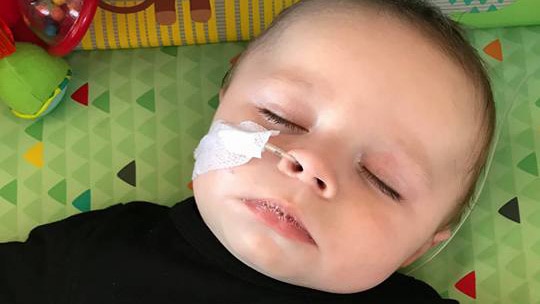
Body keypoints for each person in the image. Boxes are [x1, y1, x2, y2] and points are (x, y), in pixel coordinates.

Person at [0, 0, 495, 303]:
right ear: (222, 104)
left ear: (418, 248)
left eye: (381, 177)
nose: (310, 164)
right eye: (281, 118)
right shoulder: (103, 253)